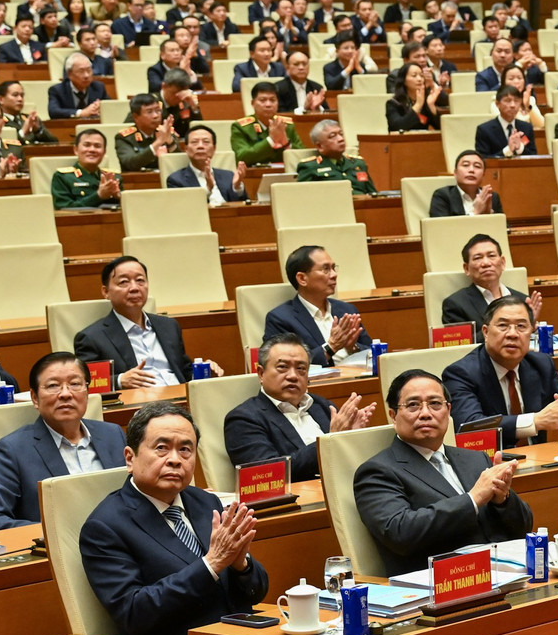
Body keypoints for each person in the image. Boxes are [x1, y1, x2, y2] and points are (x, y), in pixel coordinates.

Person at [79, 400, 267, 635]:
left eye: (185, 450)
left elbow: (256, 591)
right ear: (130, 457)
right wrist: (211, 564)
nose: (175, 460)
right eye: (162, 448)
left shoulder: (204, 501)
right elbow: (134, 613)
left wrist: (240, 564)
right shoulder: (106, 526)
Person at [353, 369, 533, 577]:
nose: (425, 413)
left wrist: (502, 500)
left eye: (435, 404)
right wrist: (472, 500)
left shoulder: (475, 459)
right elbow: (400, 533)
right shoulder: (377, 471)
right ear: (393, 415)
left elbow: (524, 527)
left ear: (448, 411)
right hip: (442, 583)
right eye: (413, 405)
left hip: (505, 572)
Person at [0, 353, 127, 532]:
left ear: (87, 392)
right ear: (34, 398)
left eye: (75, 384)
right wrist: (56, 534)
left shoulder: (113, 434)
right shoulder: (13, 450)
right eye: (53, 386)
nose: (65, 394)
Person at [223, 334, 375, 482]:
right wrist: (330, 440)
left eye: (301, 368)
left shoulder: (321, 405)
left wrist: (350, 438)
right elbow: (268, 474)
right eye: (282, 367)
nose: (293, 376)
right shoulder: (243, 419)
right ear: (261, 374)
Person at [441, 297, 558, 441]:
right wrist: (535, 421)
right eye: (503, 325)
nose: (512, 334)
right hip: (491, 460)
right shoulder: (461, 373)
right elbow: (470, 426)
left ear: (531, 333)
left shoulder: (541, 364)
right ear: (486, 332)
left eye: (521, 326)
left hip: (539, 456)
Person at [74, 256, 210, 390]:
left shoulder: (169, 326)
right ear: (106, 292)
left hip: (182, 398)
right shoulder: (91, 338)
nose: (134, 288)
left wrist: (205, 372)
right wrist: (120, 380)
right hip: (141, 406)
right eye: (123, 282)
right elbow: (86, 382)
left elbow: (185, 371)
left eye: (140, 280)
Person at [263, 246, 373, 366]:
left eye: (333, 268)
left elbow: (371, 353)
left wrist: (353, 348)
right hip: (319, 383)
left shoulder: (346, 310)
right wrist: (331, 346)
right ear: (302, 278)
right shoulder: (280, 318)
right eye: (326, 269)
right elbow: (283, 365)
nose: (334, 275)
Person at [440, 233, 540, 326]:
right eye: (478, 258)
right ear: (466, 268)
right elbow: (464, 343)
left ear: (503, 263)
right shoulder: (455, 305)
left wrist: (531, 326)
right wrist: (496, 325)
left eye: (491, 256)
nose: (486, 263)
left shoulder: (523, 301)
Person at [167, 124, 247, 204]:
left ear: (214, 149)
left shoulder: (229, 176)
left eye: (206, 142)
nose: (200, 146)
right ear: (186, 149)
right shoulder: (176, 180)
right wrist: (208, 188)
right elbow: (183, 207)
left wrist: (237, 188)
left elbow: (243, 206)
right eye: (195, 142)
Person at [231, 82, 303, 166]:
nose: (268, 105)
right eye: (262, 100)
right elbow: (241, 157)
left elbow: (302, 155)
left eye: (272, 100)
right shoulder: (241, 127)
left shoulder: (286, 125)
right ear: (252, 103)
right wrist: (271, 140)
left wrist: (286, 143)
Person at [295, 119, 373, 192]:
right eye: (332, 136)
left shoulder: (358, 163)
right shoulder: (310, 167)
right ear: (320, 146)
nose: (340, 139)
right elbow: (302, 198)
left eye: (341, 134)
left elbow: (373, 195)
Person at [51, 128, 120, 209]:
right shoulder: (63, 177)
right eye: (87, 145)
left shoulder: (113, 177)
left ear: (104, 152)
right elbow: (63, 208)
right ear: (76, 150)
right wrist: (98, 196)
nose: (92, 150)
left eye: (97, 146)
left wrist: (118, 197)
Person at [113, 92, 180, 173]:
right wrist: (159, 142)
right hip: (138, 182)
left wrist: (170, 142)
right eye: (149, 112)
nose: (156, 115)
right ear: (135, 117)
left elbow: (181, 162)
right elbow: (130, 163)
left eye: (158, 110)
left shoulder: (165, 133)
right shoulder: (124, 138)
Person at [431, 150, 504, 217]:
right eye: (465, 165)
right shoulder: (442, 196)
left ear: (483, 175)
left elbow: (504, 227)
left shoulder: (492, 197)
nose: (471, 170)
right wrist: (475, 212)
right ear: (455, 173)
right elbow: (441, 228)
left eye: (477, 166)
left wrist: (490, 215)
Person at [472, 84, 535, 158]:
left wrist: (520, 148)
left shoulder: (527, 127)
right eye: (507, 101)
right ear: (497, 104)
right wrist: (507, 151)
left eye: (516, 101)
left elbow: (534, 156)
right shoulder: (484, 130)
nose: (513, 105)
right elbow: (482, 159)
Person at [48, 53, 108, 119]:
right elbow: (53, 111)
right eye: (81, 71)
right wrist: (81, 113)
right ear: (69, 74)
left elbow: (110, 106)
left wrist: (102, 106)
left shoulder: (98, 87)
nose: (86, 75)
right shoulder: (57, 90)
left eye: (89, 70)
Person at [0, 80, 56, 145]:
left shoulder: (29, 118)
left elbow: (54, 143)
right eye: (15, 95)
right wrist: (23, 132)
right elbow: (5, 147)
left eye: (22, 95)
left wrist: (38, 130)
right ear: (1, 99)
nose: (20, 99)